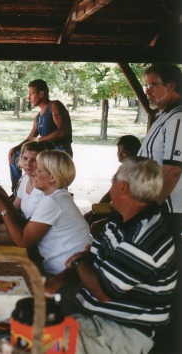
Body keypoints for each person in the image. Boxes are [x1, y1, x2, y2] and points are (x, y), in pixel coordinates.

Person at [45, 157, 177, 354]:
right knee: (19, 315)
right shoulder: (120, 223)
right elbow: (90, 261)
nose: (111, 186)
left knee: (44, 343)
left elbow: (101, 289)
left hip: (122, 330)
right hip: (92, 310)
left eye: (113, 180)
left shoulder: (145, 238)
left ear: (123, 187)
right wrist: (52, 285)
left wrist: (79, 262)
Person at [0, 150, 91, 275]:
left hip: (66, 276)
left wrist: (0, 206)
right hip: (71, 269)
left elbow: (22, 241)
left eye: (39, 170)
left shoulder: (53, 201)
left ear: (52, 177)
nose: (34, 173)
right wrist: (4, 199)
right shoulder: (57, 196)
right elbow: (25, 225)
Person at [138, 62, 182, 354]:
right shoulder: (164, 116)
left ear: (172, 86)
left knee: (166, 277)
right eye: (146, 85)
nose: (147, 91)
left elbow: (172, 171)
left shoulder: (179, 118)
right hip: (156, 208)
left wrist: (148, 211)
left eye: (152, 85)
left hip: (168, 212)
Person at [8, 79, 72, 192]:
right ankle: (17, 191)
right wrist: (15, 148)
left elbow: (62, 132)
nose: (29, 98)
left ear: (41, 94)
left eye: (31, 94)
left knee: (46, 170)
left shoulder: (54, 106)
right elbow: (30, 138)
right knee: (15, 157)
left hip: (60, 151)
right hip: (45, 152)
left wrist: (41, 139)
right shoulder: (38, 116)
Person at [84, 134, 141, 226]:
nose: (119, 153)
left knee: (95, 225)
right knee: (90, 218)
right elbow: (110, 194)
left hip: (129, 211)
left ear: (134, 152)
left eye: (125, 151)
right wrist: (95, 210)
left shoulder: (135, 170)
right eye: (118, 149)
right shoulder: (123, 167)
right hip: (118, 208)